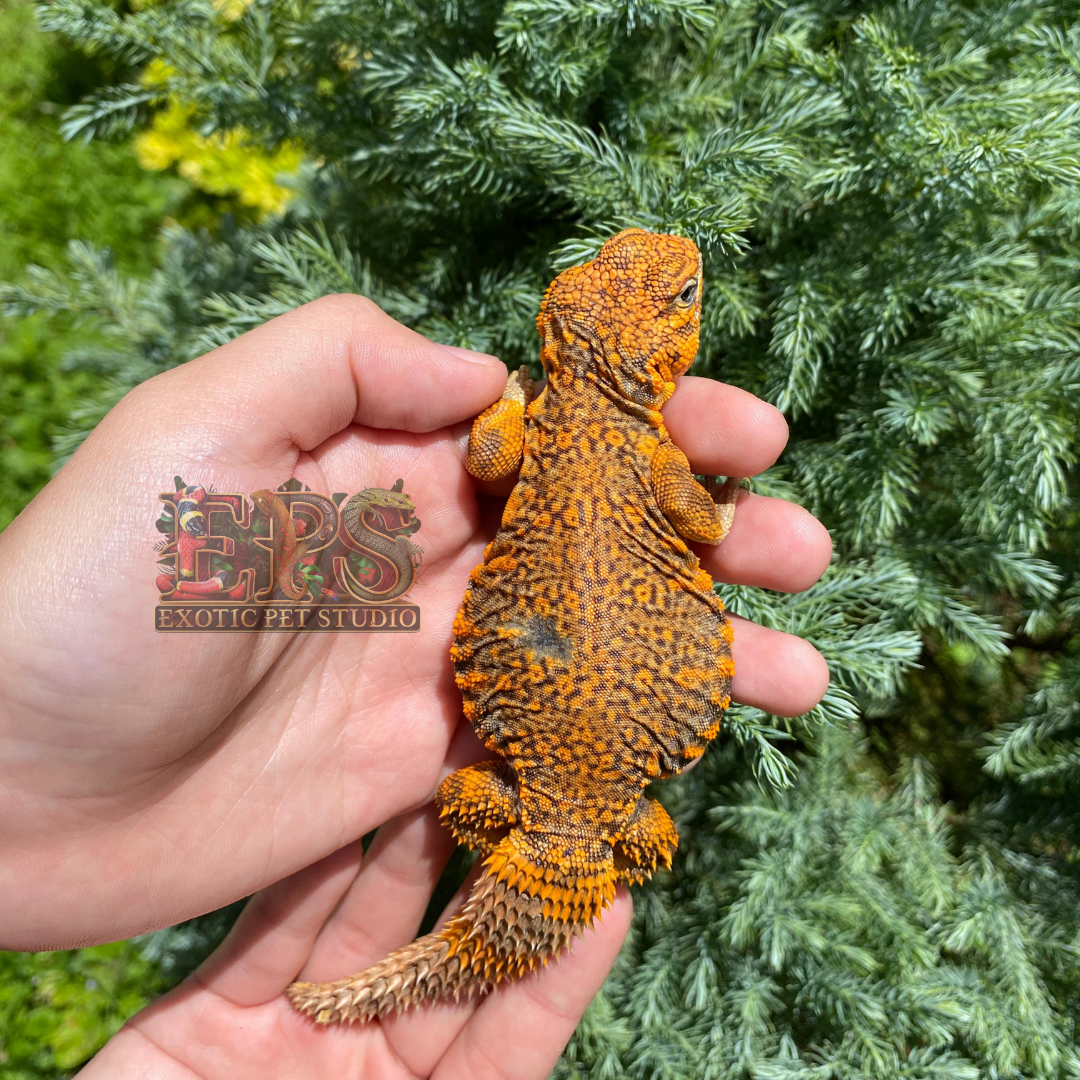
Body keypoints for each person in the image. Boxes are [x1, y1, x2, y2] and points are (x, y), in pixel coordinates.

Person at [0, 295, 833, 1078]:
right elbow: (706, 524)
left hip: (559, 720)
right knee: (614, 824)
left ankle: (431, 959)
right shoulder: (656, 453)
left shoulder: (533, 429)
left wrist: (507, 399)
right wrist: (720, 514)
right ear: (659, 362)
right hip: (601, 764)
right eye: (684, 304)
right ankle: (452, 943)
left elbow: (489, 457)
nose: (688, 303)